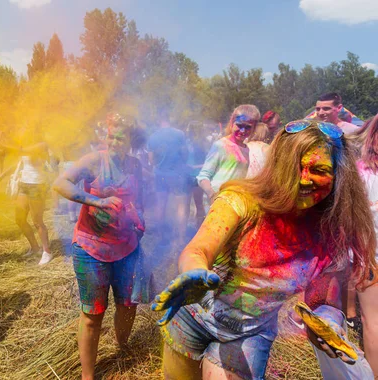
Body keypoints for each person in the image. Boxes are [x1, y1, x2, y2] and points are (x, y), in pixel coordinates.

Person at [152, 119, 377, 380]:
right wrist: (194, 274)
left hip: (250, 335)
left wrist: (328, 323)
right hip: (193, 316)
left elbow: (323, 300)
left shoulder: (331, 233)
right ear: (279, 165)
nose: (304, 179)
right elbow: (198, 250)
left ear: (339, 175)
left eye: (319, 169)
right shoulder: (241, 202)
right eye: (295, 167)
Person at [53, 113, 146, 380]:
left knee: (128, 305)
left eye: (121, 137)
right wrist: (98, 202)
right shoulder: (94, 160)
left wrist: (140, 219)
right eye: (111, 136)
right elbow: (59, 183)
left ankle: (122, 349)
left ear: (131, 140)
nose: (115, 142)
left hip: (127, 247)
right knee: (93, 316)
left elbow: (138, 201)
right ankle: (88, 376)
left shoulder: (136, 165)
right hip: (91, 248)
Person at [0, 141, 52, 265]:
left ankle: (46, 251)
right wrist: (2, 176)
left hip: (37, 185)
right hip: (23, 184)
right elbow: (19, 163)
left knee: (37, 221)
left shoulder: (41, 144)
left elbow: (21, 150)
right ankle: (35, 248)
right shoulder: (24, 143)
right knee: (20, 219)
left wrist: (3, 142)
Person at [354, 114, 378, 375]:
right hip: (369, 256)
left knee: (373, 322)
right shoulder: (361, 172)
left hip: (367, 254)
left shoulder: (360, 172)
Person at [197, 105, 260, 200]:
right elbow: (203, 176)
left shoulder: (247, 149)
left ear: (254, 128)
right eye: (239, 125)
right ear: (232, 123)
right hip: (216, 202)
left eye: (248, 127)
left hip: (233, 202)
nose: (243, 130)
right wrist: (212, 195)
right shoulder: (220, 145)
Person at [148, 113, 190, 247]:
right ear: (169, 119)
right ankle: (181, 239)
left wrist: (161, 165)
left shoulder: (153, 137)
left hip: (160, 174)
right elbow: (185, 154)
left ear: (159, 120)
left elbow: (151, 160)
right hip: (177, 174)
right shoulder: (179, 134)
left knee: (161, 205)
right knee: (181, 206)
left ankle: (160, 236)